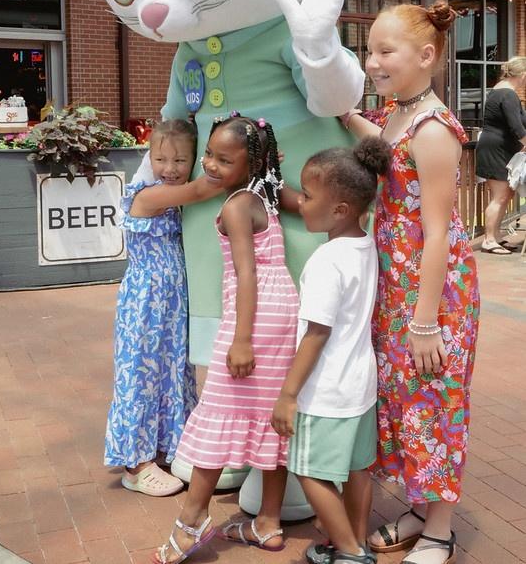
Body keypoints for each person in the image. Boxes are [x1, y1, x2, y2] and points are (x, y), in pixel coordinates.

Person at [340, 1, 480, 564]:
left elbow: (440, 233)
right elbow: (376, 137)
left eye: (384, 51)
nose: (372, 62)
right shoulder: (400, 110)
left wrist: (425, 321)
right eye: (369, 50)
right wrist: (341, 110)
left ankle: (440, 529)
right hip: (397, 282)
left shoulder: (434, 129)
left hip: (432, 292)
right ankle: (422, 508)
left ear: (426, 56)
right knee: (406, 398)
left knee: (435, 399)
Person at [153, 114, 299, 564]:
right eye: (209, 154)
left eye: (223, 159)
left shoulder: (237, 204)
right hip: (284, 311)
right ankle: (268, 522)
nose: (209, 164)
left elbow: (246, 271)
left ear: (249, 163)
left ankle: (193, 518)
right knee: (269, 417)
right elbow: (309, 201)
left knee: (218, 411)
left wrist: (241, 340)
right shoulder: (267, 194)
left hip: (253, 317)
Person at [271, 138, 392, 564]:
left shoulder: (326, 260)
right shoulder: (366, 246)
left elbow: (316, 334)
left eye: (306, 195)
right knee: (358, 469)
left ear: (339, 209)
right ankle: (355, 542)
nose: (299, 202)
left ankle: (347, 553)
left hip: (327, 391)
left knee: (307, 470)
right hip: (361, 385)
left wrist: (288, 395)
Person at [105, 119, 222, 496]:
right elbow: (206, 188)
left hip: (170, 304)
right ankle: (135, 466)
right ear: (148, 157)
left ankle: (166, 449)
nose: (169, 168)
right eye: (160, 159)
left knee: (171, 374)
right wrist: (250, 161)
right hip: (145, 303)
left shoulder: (170, 193)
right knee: (139, 375)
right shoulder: (148, 195)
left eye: (179, 160)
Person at [475, 56, 526, 255]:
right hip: (496, 149)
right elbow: (516, 127)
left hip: (497, 148)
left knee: (505, 195)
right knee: (500, 196)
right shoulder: (507, 94)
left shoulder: (500, 91)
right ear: (522, 75)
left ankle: (495, 236)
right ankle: (488, 239)